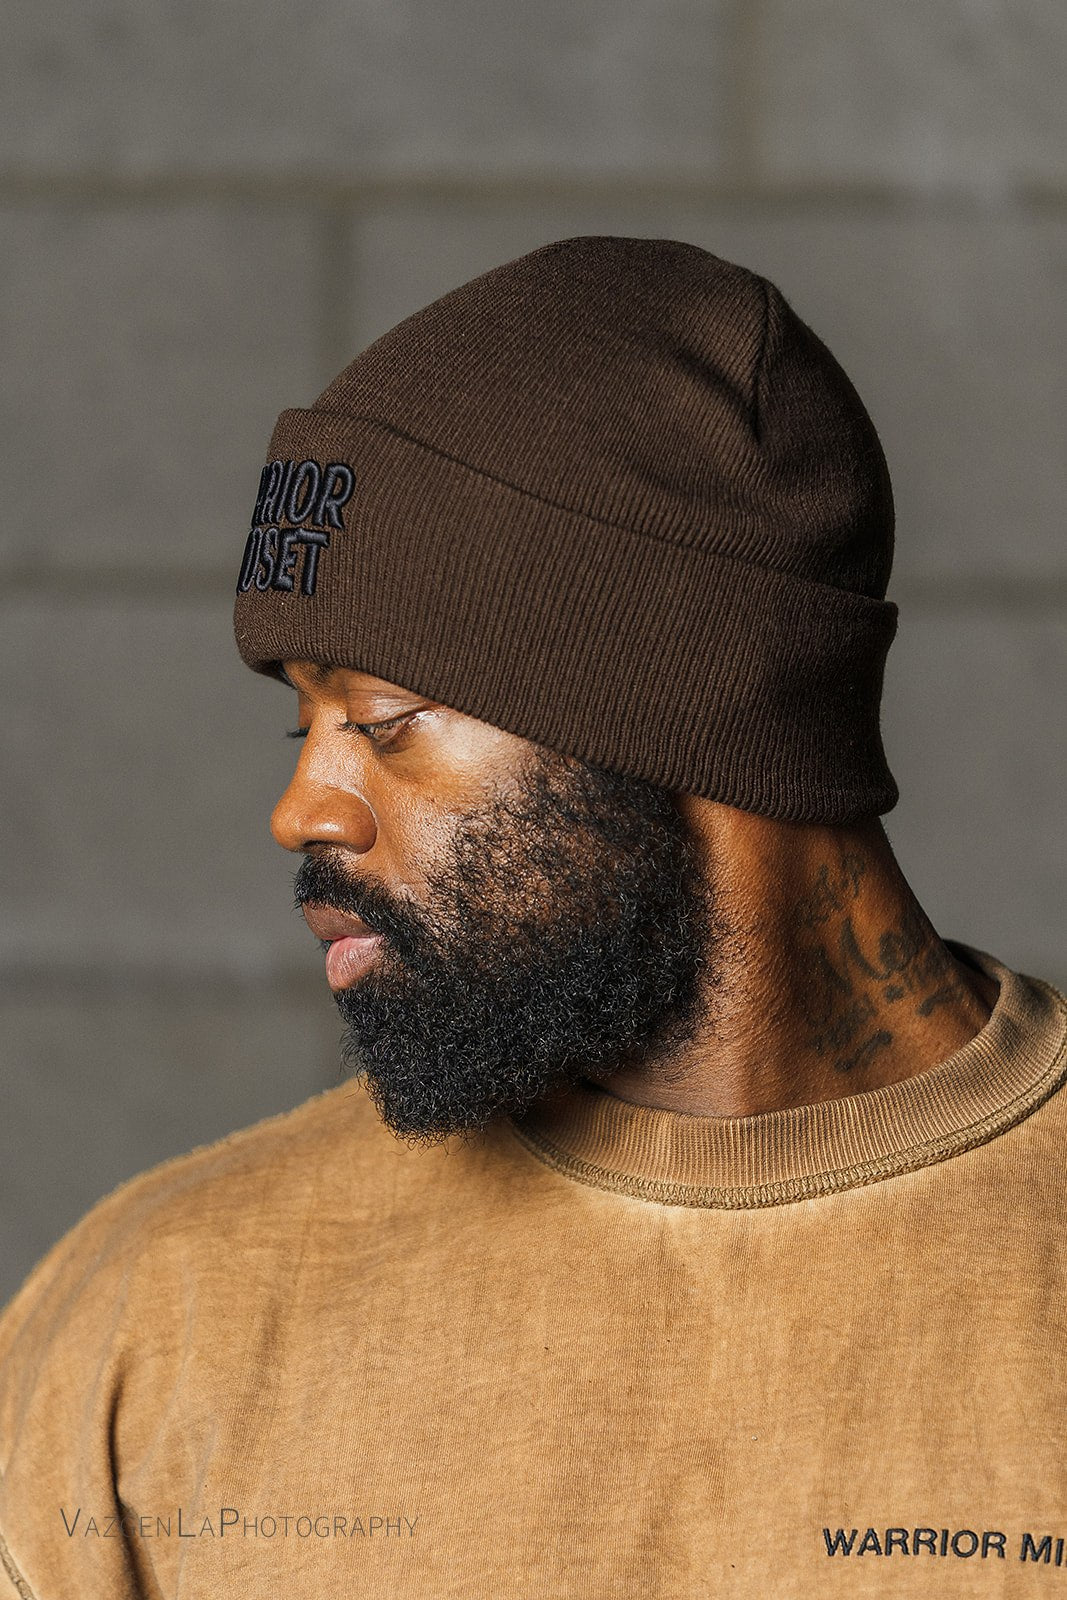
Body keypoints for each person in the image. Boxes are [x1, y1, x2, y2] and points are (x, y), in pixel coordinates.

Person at [0, 236, 1063, 1598]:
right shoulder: (153, 1324)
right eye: (300, 720)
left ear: (687, 712)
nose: (302, 809)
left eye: (384, 719)